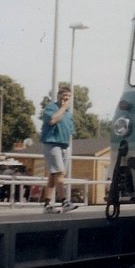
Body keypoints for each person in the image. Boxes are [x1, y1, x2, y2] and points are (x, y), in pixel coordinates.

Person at [40, 86, 78, 214]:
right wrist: (63, 108)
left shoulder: (69, 113)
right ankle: (64, 201)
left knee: (54, 175)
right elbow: (52, 120)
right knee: (59, 173)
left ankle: (46, 204)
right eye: (64, 95)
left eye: (68, 96)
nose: (66, 98)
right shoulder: (51, 108)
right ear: (58, 96)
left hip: (64, 145)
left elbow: (70, 130)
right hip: (52, 143)